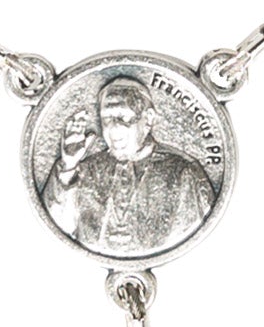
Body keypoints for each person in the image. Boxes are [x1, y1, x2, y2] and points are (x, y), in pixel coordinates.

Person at [45, 73, 215, 254]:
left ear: (148, 119)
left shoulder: (184, 173)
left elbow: (202, 241)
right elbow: (56, 230)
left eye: (123, 117)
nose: (113, 128)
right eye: (106, 119)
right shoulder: (85, 170)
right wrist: (68, 165)